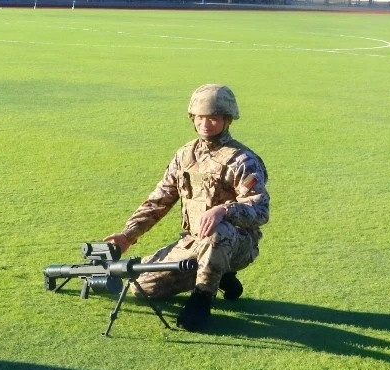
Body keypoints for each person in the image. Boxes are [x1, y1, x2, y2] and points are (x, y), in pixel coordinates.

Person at [103, 84, 269, 332]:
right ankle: (218, 275)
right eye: (200, 117)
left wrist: (224, 210)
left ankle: (201, 300)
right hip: (194, 242)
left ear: (227, 120)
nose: (205, 124)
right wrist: (129, 235)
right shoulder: (185, 156)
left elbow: (260, 209)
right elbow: (159, 199)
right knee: (142, 286)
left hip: (236, 243)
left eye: (213, 118)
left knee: (217, 231)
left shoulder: (242, 160)